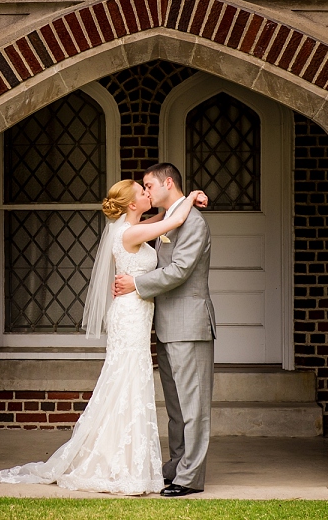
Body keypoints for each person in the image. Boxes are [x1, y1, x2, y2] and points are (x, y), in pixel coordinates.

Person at [0, 178, 205, 495]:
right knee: (128, 382)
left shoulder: (131, 227)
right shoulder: (130, 233)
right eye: (143, 192)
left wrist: (174, 207)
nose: (148, 194)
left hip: (133, 313)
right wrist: (192, 195)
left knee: (126, 382)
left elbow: (162, 219)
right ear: (132, 204)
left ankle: (124, 458)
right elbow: (176, 219)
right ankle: (119, 465)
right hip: (130, 316)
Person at [114, 162, 216, 498]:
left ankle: (190, 477)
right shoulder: (171, 217)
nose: (146, 192)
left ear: (166, 183)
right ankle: (175, 467)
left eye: (148, 185)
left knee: (193, 407)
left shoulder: (194, 223)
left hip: (189, 325)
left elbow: (180, 270)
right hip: (165, 325)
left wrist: (135, 284)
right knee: (175, 407)